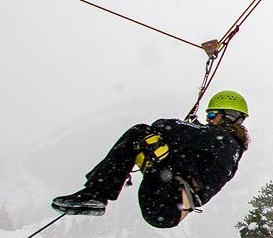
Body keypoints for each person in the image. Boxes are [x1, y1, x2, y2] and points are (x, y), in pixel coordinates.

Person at [51, 91, 250, 228]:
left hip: (168, 197)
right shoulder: (227, 147)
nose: (209, 118)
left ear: (228, 116)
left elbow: (164, 126)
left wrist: (184, 128)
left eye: (213, 114)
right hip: (169, 202)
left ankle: (96, 193)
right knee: (145, 138)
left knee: (140, 133)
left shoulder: (222, 139)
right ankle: (96, 194)